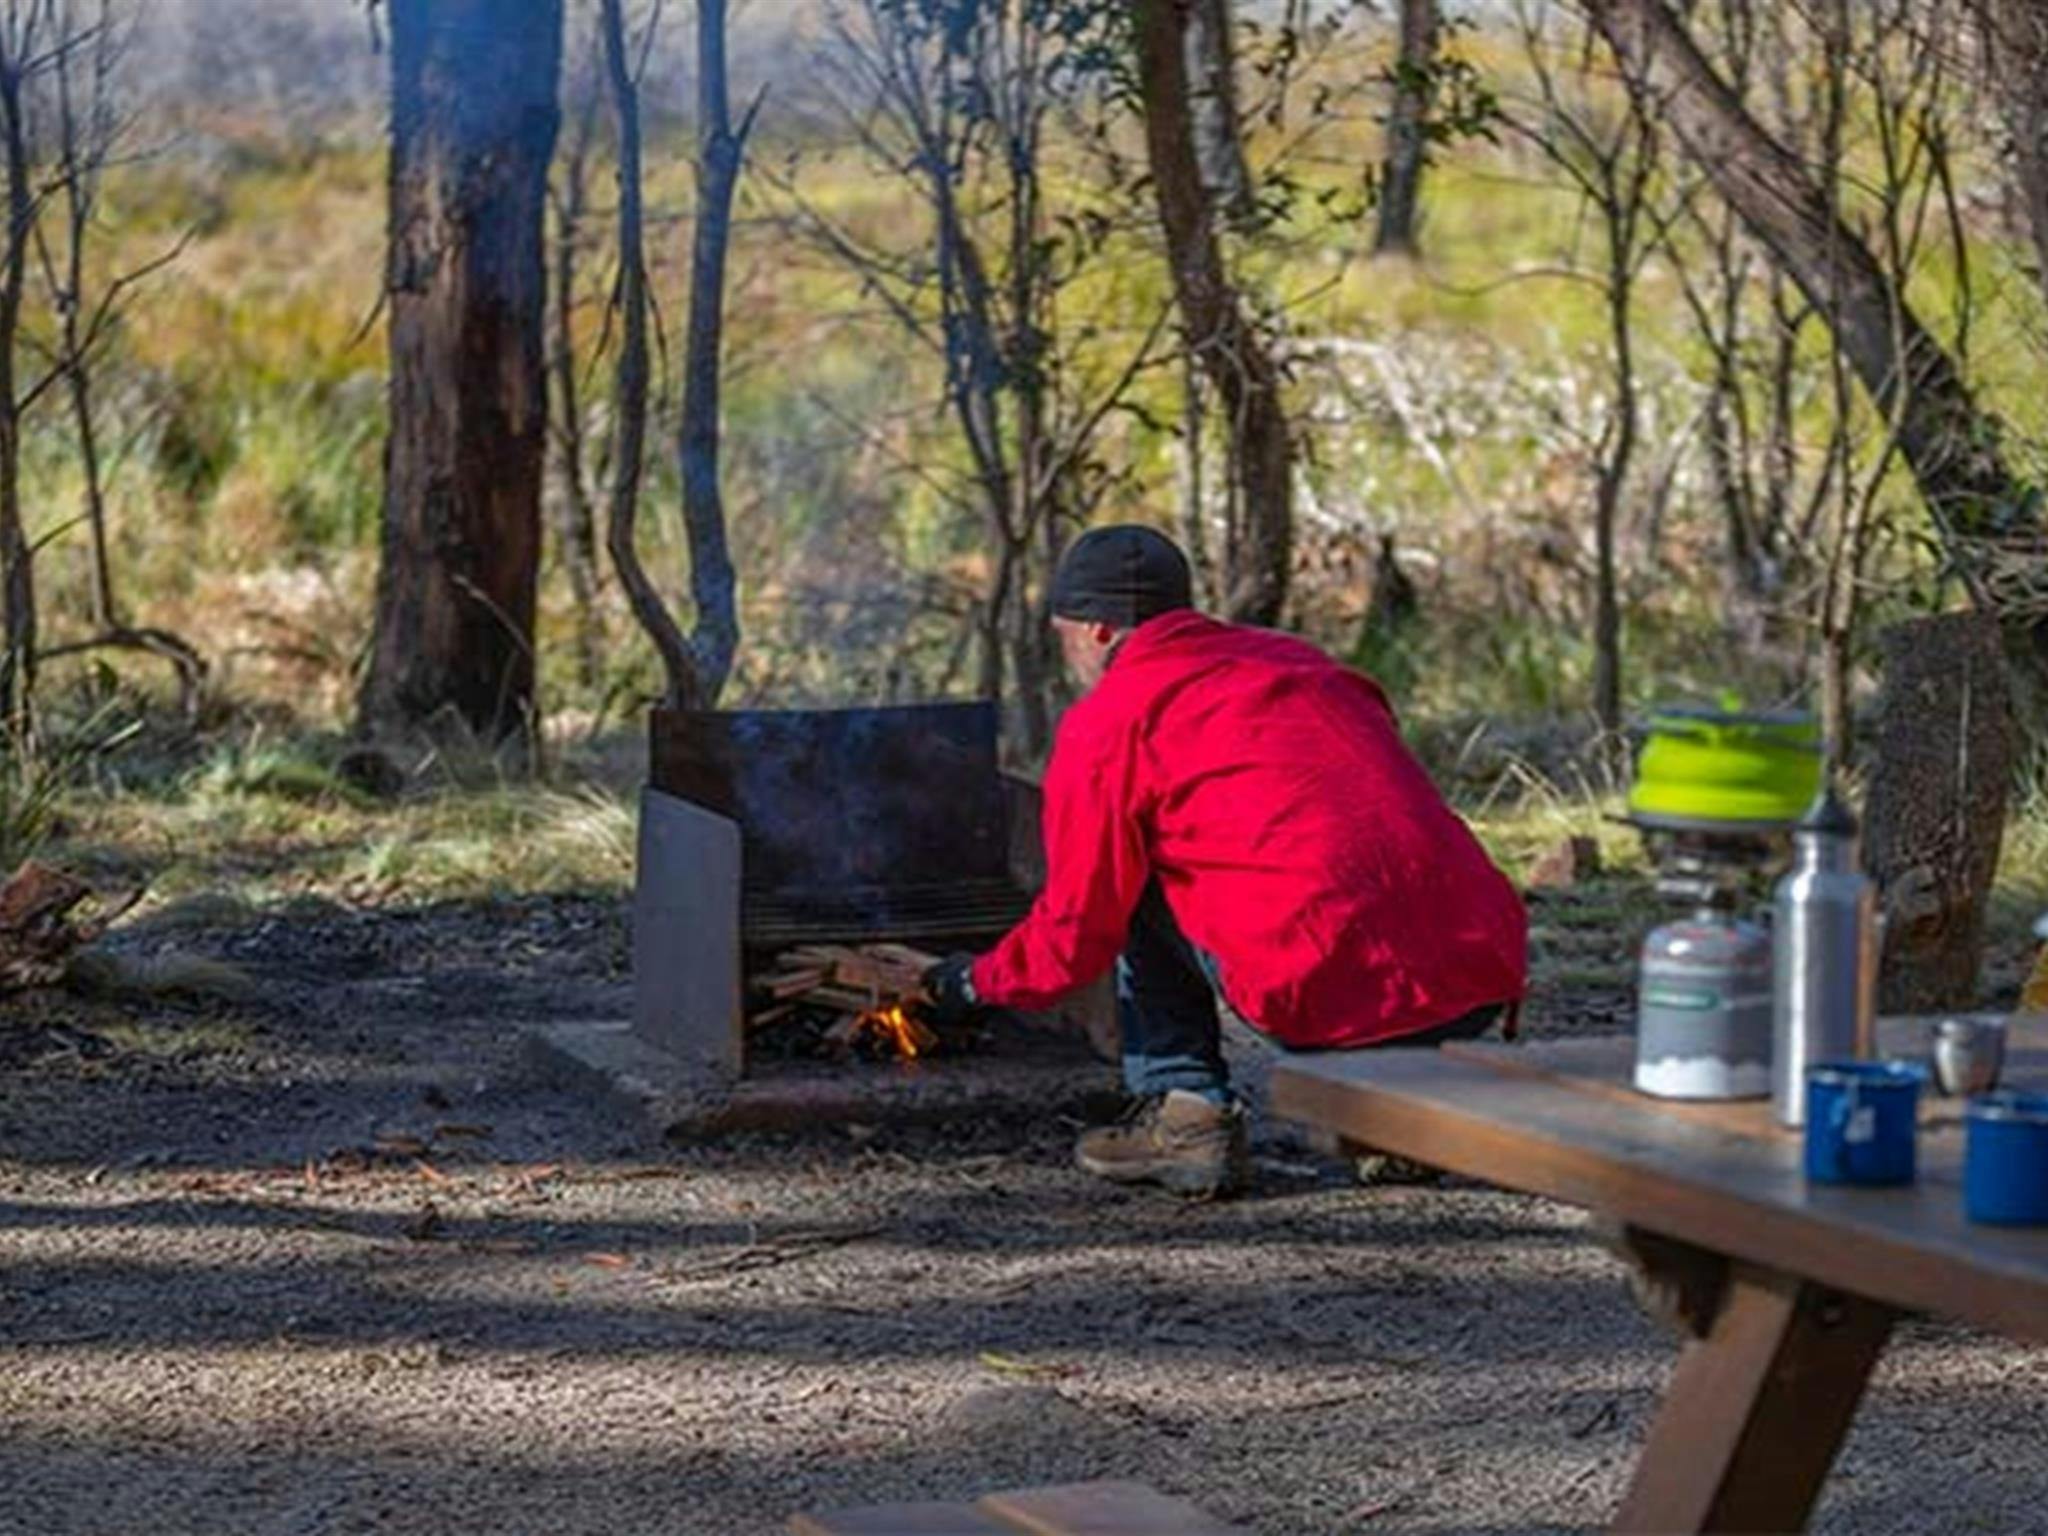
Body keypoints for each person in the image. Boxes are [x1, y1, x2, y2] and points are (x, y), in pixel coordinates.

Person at [923, 525, 1528, 1198]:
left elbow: (1076, 934)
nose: (1064, 651)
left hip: (1329, 988)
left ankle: (1188, 1117)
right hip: (1478, 977)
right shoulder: (1302, 664)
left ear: (1096, 630)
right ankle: (1392, 1113)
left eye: (1062, 633)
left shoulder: (1113, 719)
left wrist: (968, 984)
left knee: (1127, 876)